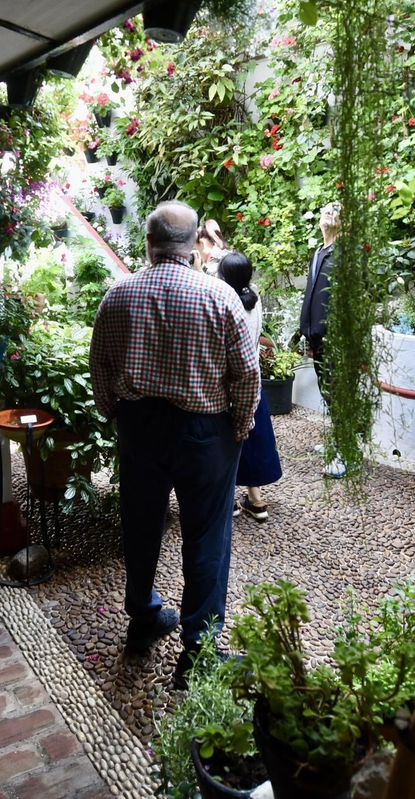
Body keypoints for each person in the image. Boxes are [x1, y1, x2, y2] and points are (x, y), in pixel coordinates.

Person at [89, 201, 259, 689]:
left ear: (149, 244)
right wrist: (240, 424)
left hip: (140, 426)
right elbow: (247, 372)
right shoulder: (220, 297)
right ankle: (198, 652)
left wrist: (115, 411)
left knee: (141, 524)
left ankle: (144, 617)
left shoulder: (118, 294)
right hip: (204, 431)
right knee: (206, 535)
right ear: (193, 246)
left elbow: (99, 363)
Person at [216, 252, 282, 521]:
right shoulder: (254, 297)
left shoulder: (223, 300)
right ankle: (256, 500)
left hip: (228, 381)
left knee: (225, 440)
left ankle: (229, 499)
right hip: (253, 379)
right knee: (252, 437)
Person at [297, 202, 341, 397]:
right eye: (326, 210)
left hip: (336, 342)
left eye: (336, 210)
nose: (329, 212)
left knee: (339, 395)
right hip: (317, 340)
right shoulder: (318, 254)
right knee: (328, 393)